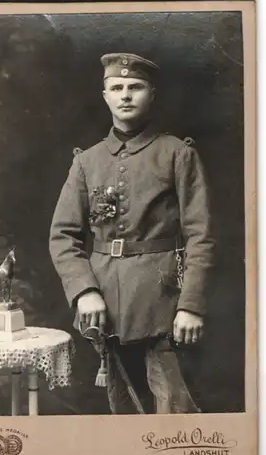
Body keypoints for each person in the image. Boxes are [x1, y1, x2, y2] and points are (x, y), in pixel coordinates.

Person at [49, 52, 215, 414]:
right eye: (117, 87)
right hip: (104, 304)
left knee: (175, 411)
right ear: (105, 95)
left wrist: (191, 305)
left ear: (151, 94)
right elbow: (63, 236)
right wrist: (84, 291)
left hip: (164, 302)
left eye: (135, 87)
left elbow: (201, 235)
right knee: (122, 407)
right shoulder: (87, 161)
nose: (126, 94)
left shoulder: (177, 154)